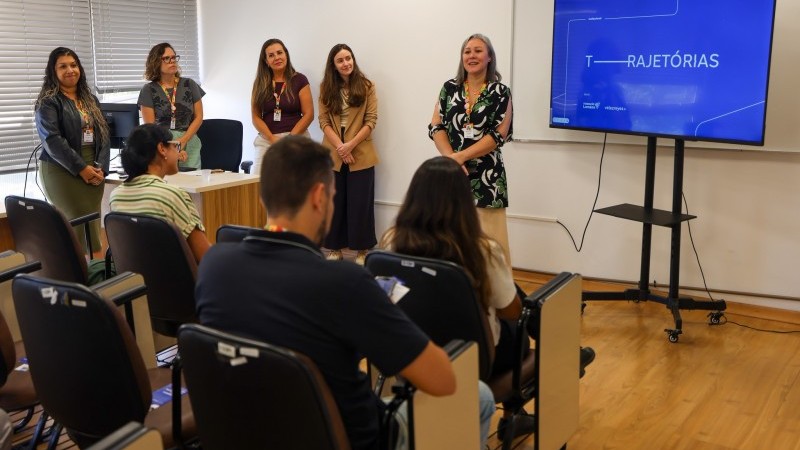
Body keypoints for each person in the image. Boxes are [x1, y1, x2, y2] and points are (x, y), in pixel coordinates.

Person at [195, 136, 460, 450]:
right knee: (480, 397)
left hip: (245, 433)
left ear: (264, 197)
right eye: (334, 196)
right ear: (320, 197)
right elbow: (443, 380)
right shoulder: (346, 283)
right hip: (346, 438)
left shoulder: (214, 264)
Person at [428, 33, 513, 264]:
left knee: (490, 244)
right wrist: (451, 159)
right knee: (450, 238)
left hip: (488, 178)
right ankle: (455, 288)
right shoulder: (448, 88)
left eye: (477, 51)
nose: (471, 55)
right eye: (467, 51)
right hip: (452, 174)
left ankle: (495, 295)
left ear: (489, 57)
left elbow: (498, 135)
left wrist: (460, 157)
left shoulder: (501, 92)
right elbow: (436, 126)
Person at [35, 47, 110, 257]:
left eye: (74, 64)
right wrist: (81, 169)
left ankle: (95, 272)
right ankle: (78, 275)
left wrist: (101, 167)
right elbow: (52, 140)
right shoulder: (48, 101)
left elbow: (104, 134)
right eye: (63, 66)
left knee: (93, 222)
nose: (70, 70)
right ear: (53, 72)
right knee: (77, 219)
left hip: (93, 168)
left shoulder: (90, 99)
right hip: (62, 169)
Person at [109, 124, 210, 263]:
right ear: (162, 149)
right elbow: (205, 256)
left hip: (136, 281)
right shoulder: (172, 196)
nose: (178, 151)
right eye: (175, 146)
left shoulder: (116, 196)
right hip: (178, 281)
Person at [318, 44, 378, 265]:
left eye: (349, 58)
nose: (346, 63)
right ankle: (334, 248)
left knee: (360, 203)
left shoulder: (367, 86)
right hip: (334, 152)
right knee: (334, 201)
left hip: (360, 151)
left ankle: (362, 250)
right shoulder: (326, 87)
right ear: (333, 66)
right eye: (340, 60)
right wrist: (340, 148)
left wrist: (349, 146)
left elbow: (371, 120)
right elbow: (323, 121)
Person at [250, 38, 313, 174]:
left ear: (286, 54)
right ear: (266, 61)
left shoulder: (300, 80)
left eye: (279, 53)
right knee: (259, 184)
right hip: (267, 139)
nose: (276, 57)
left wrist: (289, 139)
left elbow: (309, 115)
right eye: (271, 55)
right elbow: (255, 117)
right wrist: (272, 139)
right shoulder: (259, 83)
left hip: (296, 138)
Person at [139, 43, 204, 170]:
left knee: (192, 184)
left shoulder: (189, 84)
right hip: (162, 143)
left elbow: (199, 117)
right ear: (156, 62)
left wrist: (183, 140)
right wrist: (169, 148)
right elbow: (151, 127)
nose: (172, 61)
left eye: (174, 58)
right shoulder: (148, 90)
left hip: (189, 140)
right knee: (169, 183)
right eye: (167, 58)